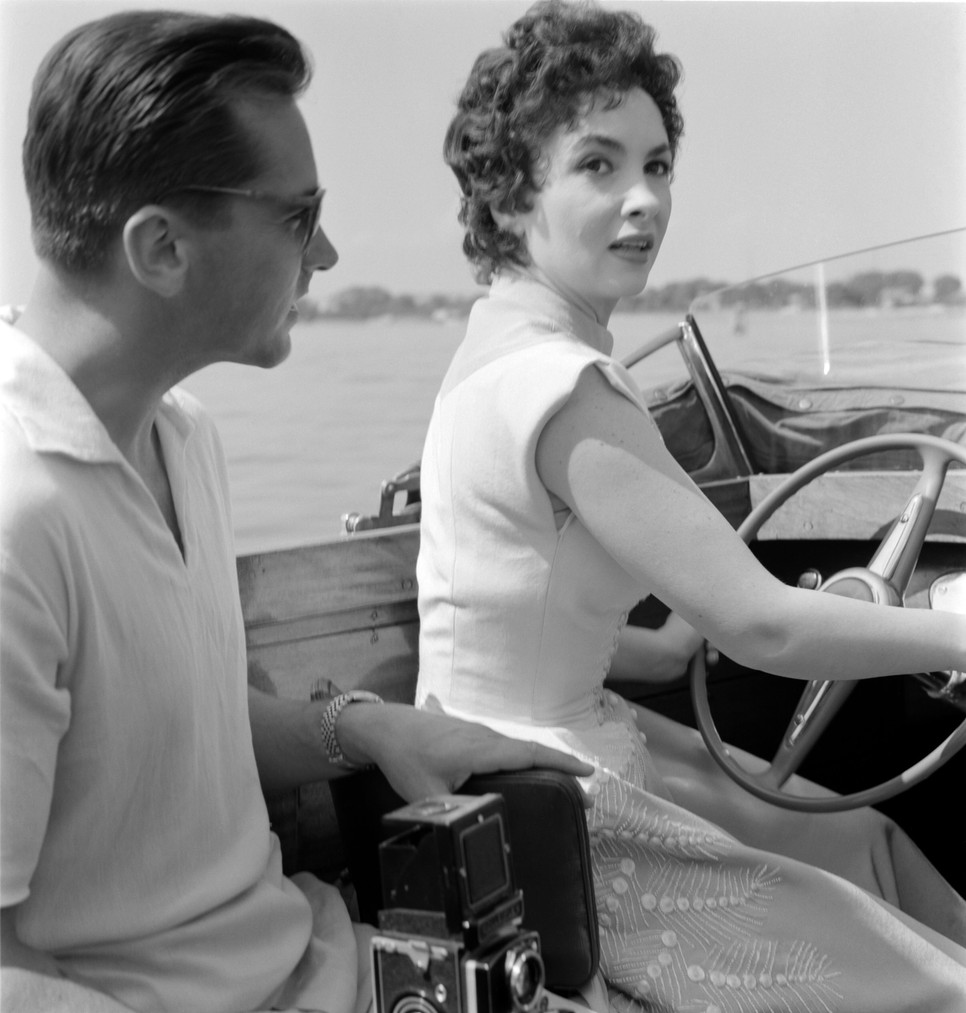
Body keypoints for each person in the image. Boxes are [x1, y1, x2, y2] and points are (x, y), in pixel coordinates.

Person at [0, 11, 596, 1013]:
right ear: (161, 249)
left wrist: (360, 728)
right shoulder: (20, 518)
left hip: (326, 961)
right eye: (296, 213)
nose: (324, 251)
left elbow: (171, 727)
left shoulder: (181, 436)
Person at [414, 1, 966, 1010]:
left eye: (657, 165)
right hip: (556, 804)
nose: (644, 200)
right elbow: (761, 621)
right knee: (923, 980)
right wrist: (954, 632)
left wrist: (664, 655)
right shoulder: (563, 389)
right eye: (598, 164)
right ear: (506, 198)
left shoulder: (495, 355)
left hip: (533, 761)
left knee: (864, 841)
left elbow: (511, 605)